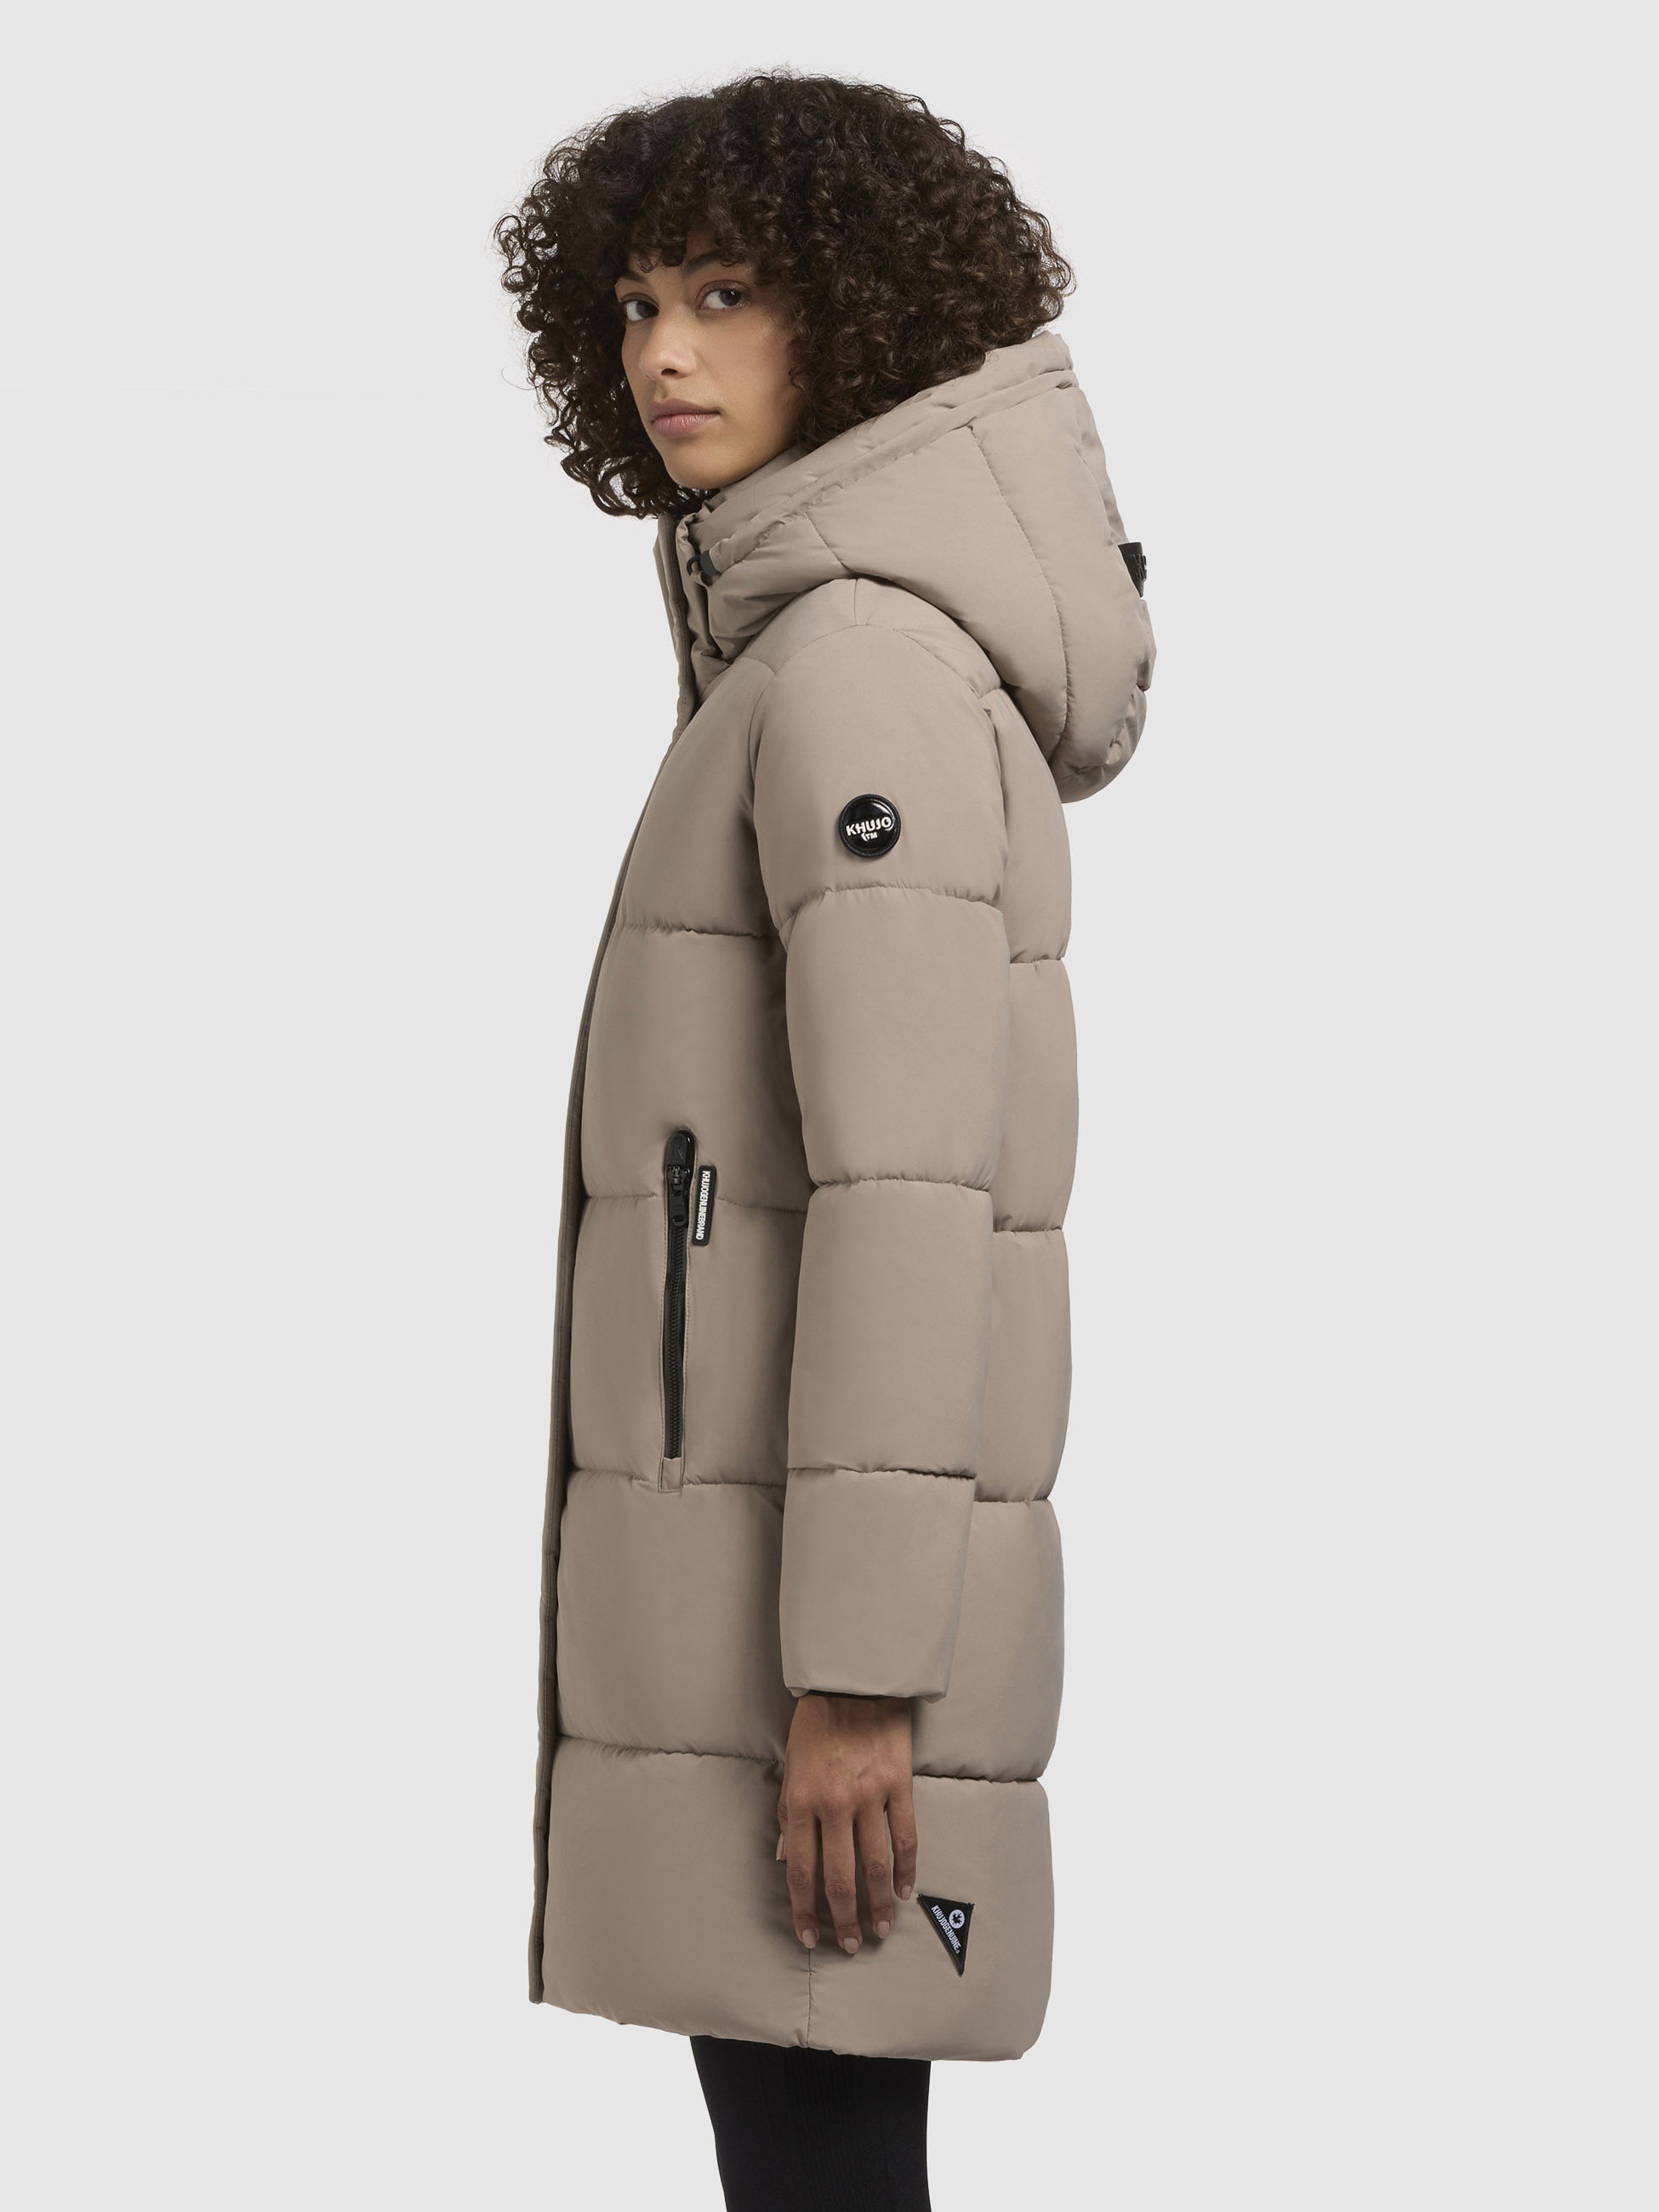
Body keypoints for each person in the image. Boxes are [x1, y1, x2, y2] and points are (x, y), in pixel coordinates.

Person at [495, 70, 1154, 2211]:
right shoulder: (806, 654)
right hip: (757, 1593)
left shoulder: (858, 671)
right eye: (633, 304)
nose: (663, 353)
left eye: (725, 294)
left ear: (856, 313)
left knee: (823, 2169)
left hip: (814, 1640)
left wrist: (864, 1678)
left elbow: (908, 1202)